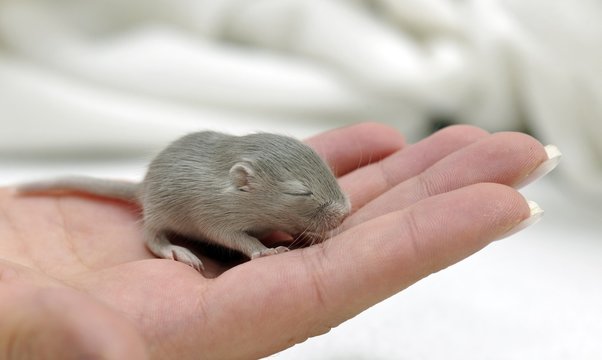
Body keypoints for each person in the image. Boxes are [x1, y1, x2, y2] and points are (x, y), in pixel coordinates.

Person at [0, 122, 557, 359]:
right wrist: (253, 249)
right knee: (165, 220)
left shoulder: (257, 179)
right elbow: (219, 226)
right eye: (301, 194)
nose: (336, 208)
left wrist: (294, 220)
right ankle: (157, 238)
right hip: (169, 204)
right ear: (244, 181)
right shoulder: (216, 197)